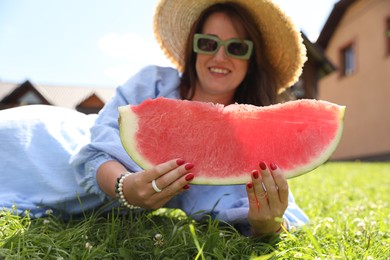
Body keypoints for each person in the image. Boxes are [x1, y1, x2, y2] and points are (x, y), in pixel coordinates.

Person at [0, 0, 309, 236]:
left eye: (237, 47)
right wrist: (125, 187)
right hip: (43, 139)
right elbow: (96, 150)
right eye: (208, 43)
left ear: (251, 59)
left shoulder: (247, 145)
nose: (219, 57)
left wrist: (267, 224)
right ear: (193, 49)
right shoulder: (154, 85)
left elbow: (284, 215)